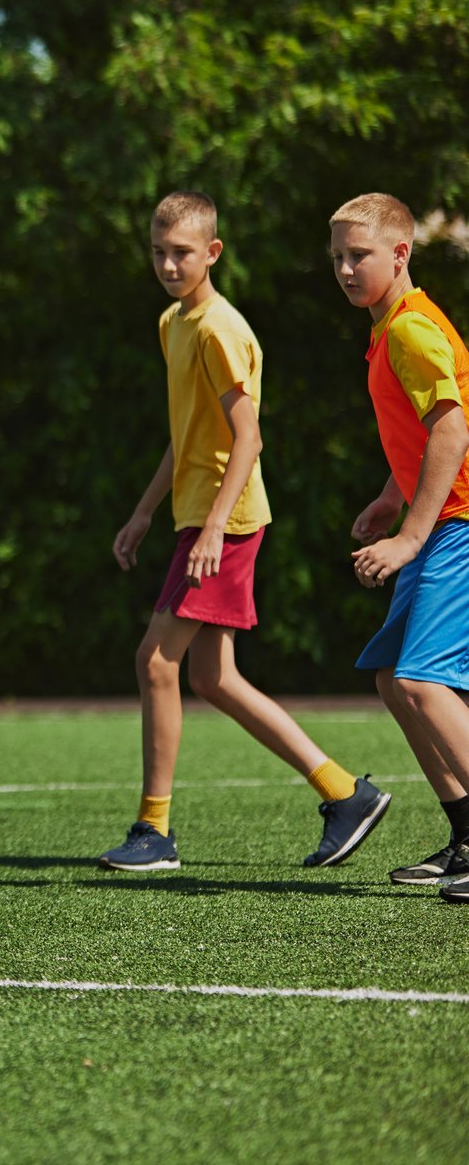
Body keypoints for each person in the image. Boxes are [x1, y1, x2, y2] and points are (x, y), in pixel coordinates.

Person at [105, 193, 388, 872]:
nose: (170, 265)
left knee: (155, 660)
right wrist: (146, 509)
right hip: (197, 515)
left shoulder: (219, 329)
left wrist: (209, 531)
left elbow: (247, 436)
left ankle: (154, 831)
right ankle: (344, 793)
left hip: (222, 521)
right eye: (159, 252)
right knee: (215, 678)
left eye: (183, 253)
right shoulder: (173, 322)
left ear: (213, 253)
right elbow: (188, 435)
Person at [335, 192, 469, 899]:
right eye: (338, 258)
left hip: (460, 523)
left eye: (359, 255)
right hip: (438, 517)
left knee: (423, 679)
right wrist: (392, 497)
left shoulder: (412, 330)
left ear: (400, 254)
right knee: (394, 677)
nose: (347, 269)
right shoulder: (390, 328)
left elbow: (452, 431)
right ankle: (466, 834)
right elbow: (423, 431)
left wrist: (410, 535)